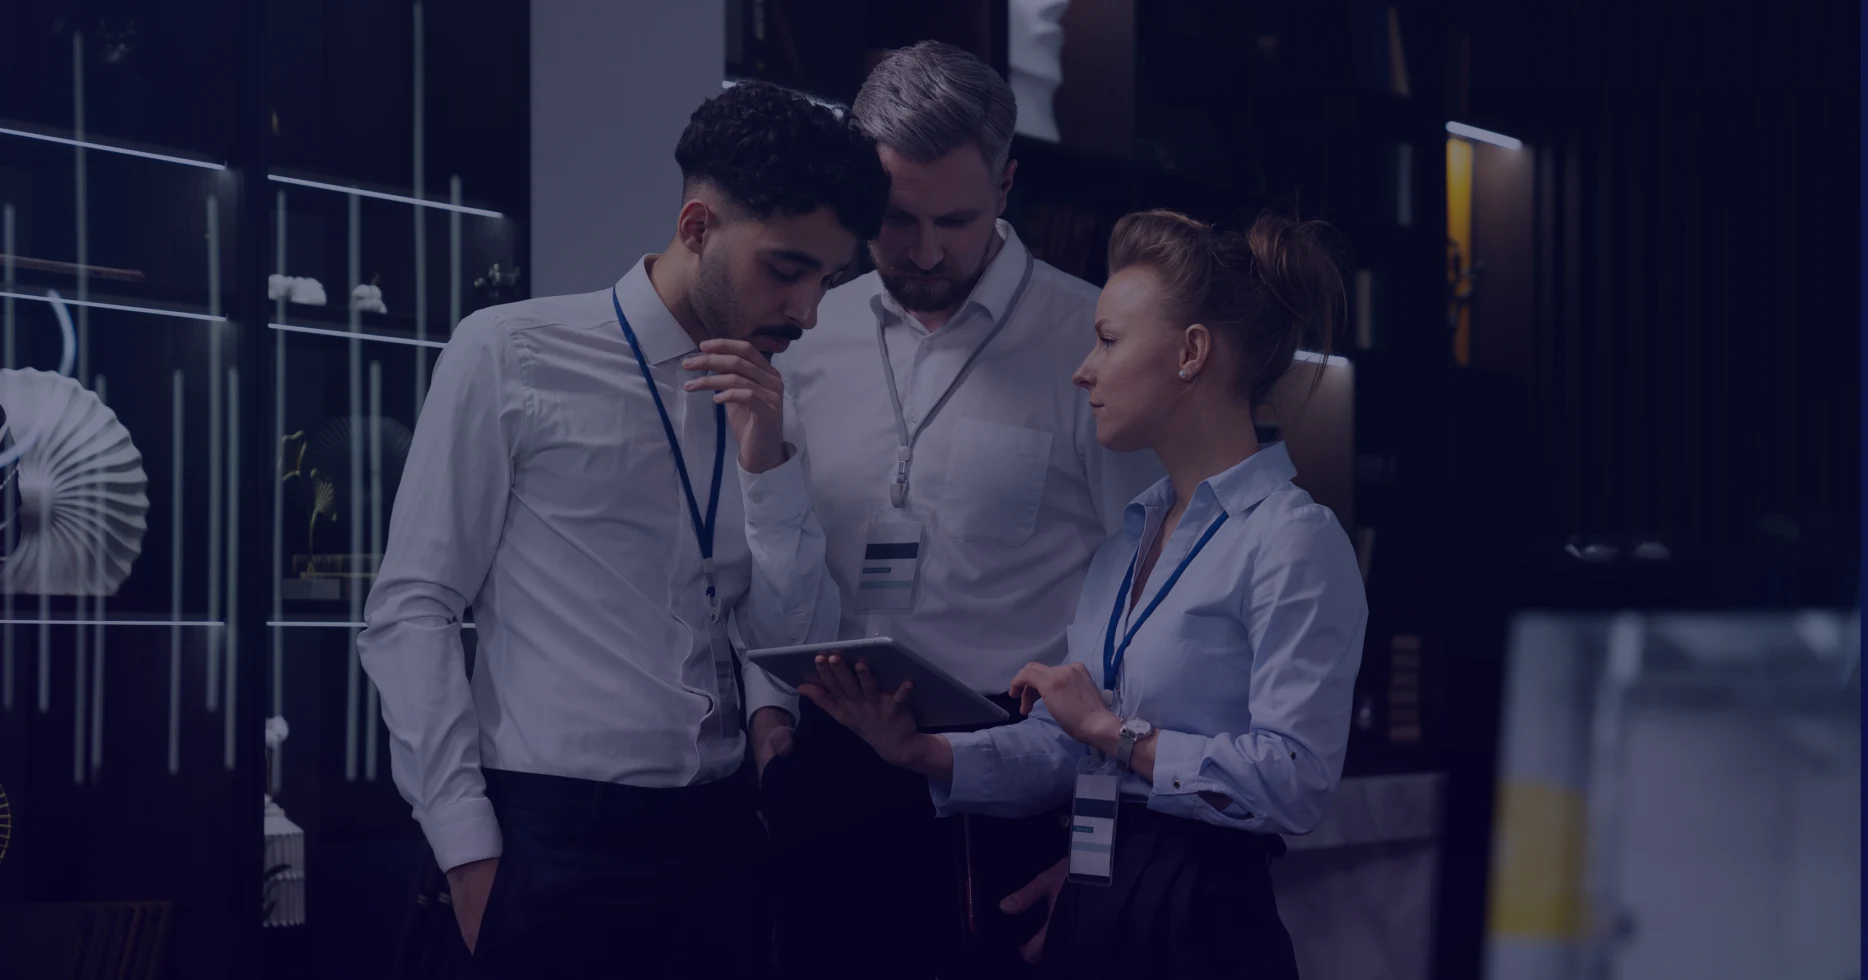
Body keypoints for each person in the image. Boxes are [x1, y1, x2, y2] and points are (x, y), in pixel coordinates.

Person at [358, 81, 888, 979]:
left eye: (827, 280)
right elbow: (412, 609)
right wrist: (467, 850)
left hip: (721, 842)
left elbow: (791, 643)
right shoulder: (511, 353)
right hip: (551, 842)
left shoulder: (772, 394)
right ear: (697, 227)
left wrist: (769, 464)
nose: (807, 310)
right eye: (787, 269)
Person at [801, 209, 1370, 979]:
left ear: (1191, 353)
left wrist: (1111, 730)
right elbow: (1066, 747)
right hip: (1102, 898)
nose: (1083, 370)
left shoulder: (1292, 539)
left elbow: (1295, 782)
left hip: (1204, 919)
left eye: (1107, 340)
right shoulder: (1128, 540)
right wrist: (922, 752)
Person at [761, 41, 1163, 980]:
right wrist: (769, 728)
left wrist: (1104, 851)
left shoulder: (1093, 345)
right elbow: (771, 552)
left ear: (1008, 185)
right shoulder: (808, 338)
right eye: (896, 219)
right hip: (833, 773)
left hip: (1015, 788)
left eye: (957, 219)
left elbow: (1151, 614)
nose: (926, 251)